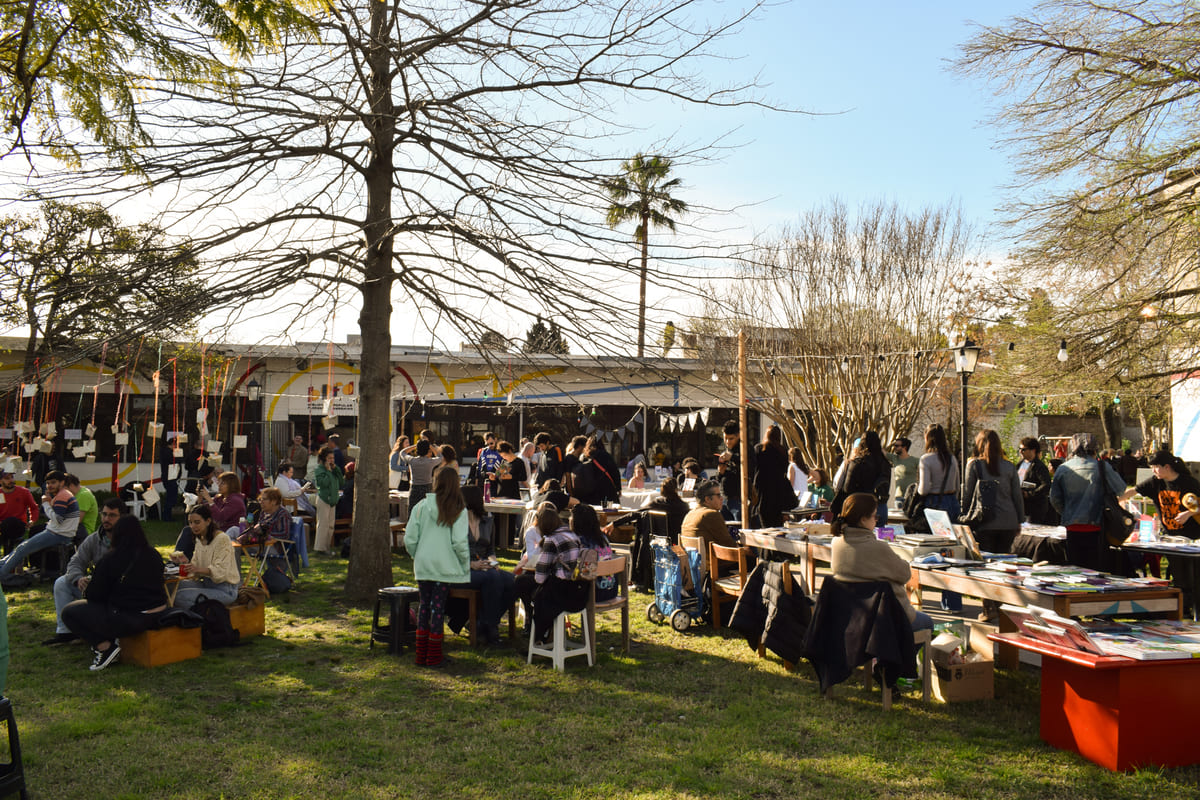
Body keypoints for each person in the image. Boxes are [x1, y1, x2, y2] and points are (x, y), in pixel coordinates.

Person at [61, 515, 168, 671]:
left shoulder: (111, 559)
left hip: (131, 618)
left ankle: (104, 647)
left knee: (69, 612)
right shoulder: (154, 554)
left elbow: (94, 595)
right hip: (158, 613)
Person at [831, 492, 933, 634]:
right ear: (863, 519)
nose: (877, 521)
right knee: (927, 623)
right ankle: (901, 656)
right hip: (885, 617)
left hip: (850, 614)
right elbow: (905, 574)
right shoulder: (877, 548)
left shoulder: (836, 543)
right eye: (875, 516)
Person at [404, 467, 470, 667]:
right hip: (444, 565)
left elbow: (409, 538)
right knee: (437, 608)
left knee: (424, 606)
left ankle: (420, 654)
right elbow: (459, 542)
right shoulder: (458, 510)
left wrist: (418, 554)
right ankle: (434, 656)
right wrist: (464, 562)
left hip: (423, 564)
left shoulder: (421, 507)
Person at [43, 498, 123, 646]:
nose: (106, 519)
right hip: (97, 591)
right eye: (104, 514)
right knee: (62, 582)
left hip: (121, 595)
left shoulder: (131, 540)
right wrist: (78, 578)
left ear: (122, 518)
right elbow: (76, 561)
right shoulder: (94, 539)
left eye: (112, 515)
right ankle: (66, 632)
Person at [1050, 432, 1129, 571]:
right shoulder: (1102, 467)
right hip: (1098, 524)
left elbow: (1054, 498)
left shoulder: (1063, 468)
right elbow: (1121, 489)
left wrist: (1067, 512)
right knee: (1095, 570)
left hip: (1072, 525)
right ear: (1095, 448)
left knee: (1075, 570)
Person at [0, 469, 79, 580]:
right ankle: (2, 569)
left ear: (62, 483)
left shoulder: (63, 496)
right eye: (48, 483)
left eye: (53, 482)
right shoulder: (62, 494)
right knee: (21, 548)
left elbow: (58, 519)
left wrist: (46, 503)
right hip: (58, 532)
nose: (49, 485)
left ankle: (2, 574)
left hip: (59, 534)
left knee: (22, 549)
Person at [530, 505, 587, 645]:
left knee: (522, 584)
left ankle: (538, 632)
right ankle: (543, 630)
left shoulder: (551, 540)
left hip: (561, 593)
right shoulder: (573, 535)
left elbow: (540, 577)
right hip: (579, 590)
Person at [170, 504, 240, 608]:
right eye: (191, 523)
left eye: (197, 522)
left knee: (180, 596)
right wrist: (185, 562)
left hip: (225, 590)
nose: (193, 526)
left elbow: (220, 570)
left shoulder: (222, 539)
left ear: (208, 521)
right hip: (206, 584)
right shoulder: (200, 538)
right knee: (170, 587)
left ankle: (197, 619)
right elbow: (196, 567)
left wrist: (196, 569)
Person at [831, 431, 891, 524]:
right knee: (880, 536)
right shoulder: (886, 464)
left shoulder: (857, 463)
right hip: (880, 507)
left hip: (859, 507)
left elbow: (847, 488)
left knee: (858, 536)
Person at [753, 424, 797, 528]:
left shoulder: (759, 449)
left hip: (763, 491)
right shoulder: (782, 451)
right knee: (777, 525)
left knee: (764, 523)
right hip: (779, 492)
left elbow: (755, 467)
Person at [572, 504, 616, 602]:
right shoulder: (603, 538)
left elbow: (584, 573)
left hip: (594, 593)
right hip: (611, 589)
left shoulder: (581, 542)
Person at [917, 423, 960, 520]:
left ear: (927, 438)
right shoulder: (952, 458)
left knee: (935, 534)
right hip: (952, 501)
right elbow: (957, 486)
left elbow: (924, 490)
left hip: (934, 502)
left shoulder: (926, 459)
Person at [680, 480, 737, 552]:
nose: (722, 498)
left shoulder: (689, 514)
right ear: (707, 499)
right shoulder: (711, 514)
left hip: (694, 561)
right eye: (718, 495)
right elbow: (729, 544)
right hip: (714, 561)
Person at [716, 420, 754, 521]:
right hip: (725, 499)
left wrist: (733, 457)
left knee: (740, 530)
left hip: (739, 500)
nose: (728, 442)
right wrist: (720, 472)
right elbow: (720, 478)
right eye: (725, 438)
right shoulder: (728, 450)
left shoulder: (746, 449)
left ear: (738, 436)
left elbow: (749, 468)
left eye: (731, 438)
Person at [312, 445, 345, 555]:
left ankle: (326, 547)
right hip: (324, 499)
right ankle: (319, 548)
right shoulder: (319, 469)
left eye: (333, 458)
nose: (331, 460)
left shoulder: (334, 469)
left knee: (331, 526)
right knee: (323, 525)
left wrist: (336, 470)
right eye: (329, 458)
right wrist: (328, 472)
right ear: (324, 458)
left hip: (333, 500)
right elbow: (323, 483)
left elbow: (342, 482)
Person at [571, 436, 621, 506]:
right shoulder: (605, 455)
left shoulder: (584, 457)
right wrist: (618, 488)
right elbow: (615, 472)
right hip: (606, 490)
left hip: (589, 492)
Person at [0, 467, 39, 555]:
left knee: (11, 521)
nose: (11, 480)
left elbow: (34, 507)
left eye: (12, 477)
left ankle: (7, 554)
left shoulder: (23, 492)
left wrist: (32, 520)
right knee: (7, 524)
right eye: (7, 478)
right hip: (3, 525)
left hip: (19, 524)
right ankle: (9, 555)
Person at [1017, 437, 1054, 524]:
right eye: (1020, 449)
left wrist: (1029, 494)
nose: (1020, 452)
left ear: (1033, 450)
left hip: (1034, 509)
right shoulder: (1020, 464)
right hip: (1021, 507)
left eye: (1023, 449)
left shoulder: (1039, 467)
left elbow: (1046, 485)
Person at [398, 439, 442, 509]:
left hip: (414, 488)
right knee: (426, 511)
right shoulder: (430, 462)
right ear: (428, 451)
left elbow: (402, 452)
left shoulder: (412, 460)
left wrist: (415, 445)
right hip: (427, 488)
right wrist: (431, 446)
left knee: (413, 510)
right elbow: (440, 457)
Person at [887, 437, 919, 509]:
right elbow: (882, 452)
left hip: (911, 496)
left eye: (897, 446)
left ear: (904, 447)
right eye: (894, 445)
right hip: (899, 497)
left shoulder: (915, 461)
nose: (894, 447)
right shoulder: (894, 458)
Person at [64, 473, 98, 541]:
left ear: (71, 485)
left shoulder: (83, 495)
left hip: (83, 533)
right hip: (74, 529)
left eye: (64, 489)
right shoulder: (79, 493)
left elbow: (77, 520)